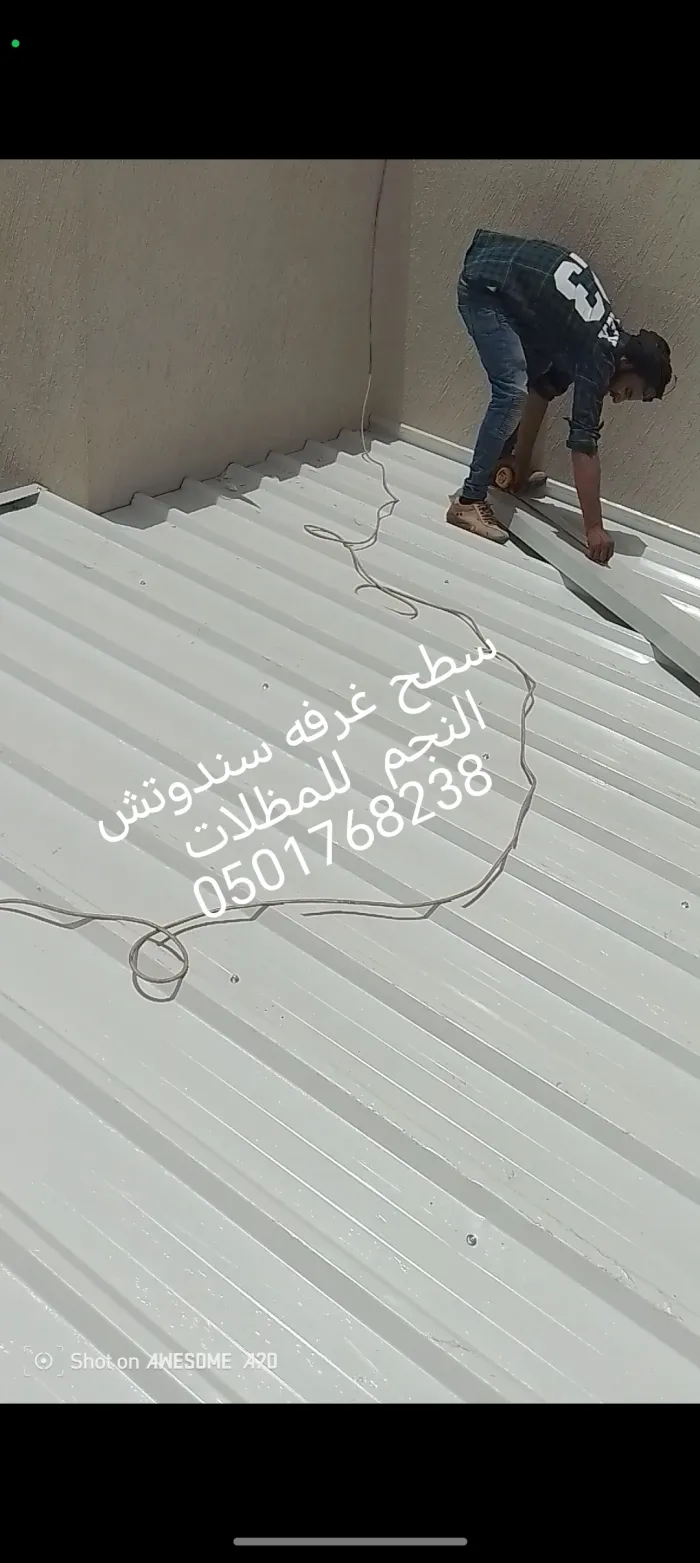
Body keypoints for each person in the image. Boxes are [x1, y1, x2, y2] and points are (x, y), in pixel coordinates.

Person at [448, 229, 674, 564]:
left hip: (503, 284)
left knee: (533, 375)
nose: (616, 398)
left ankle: (503, 464)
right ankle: (467, 502)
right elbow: (583, 446)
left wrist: (521, 464)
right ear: (626, 364)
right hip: (486, 288)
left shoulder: (597, 336)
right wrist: (594, 528)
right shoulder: (599, 357)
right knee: (510, 392)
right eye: (627, 391)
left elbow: (542, 391)